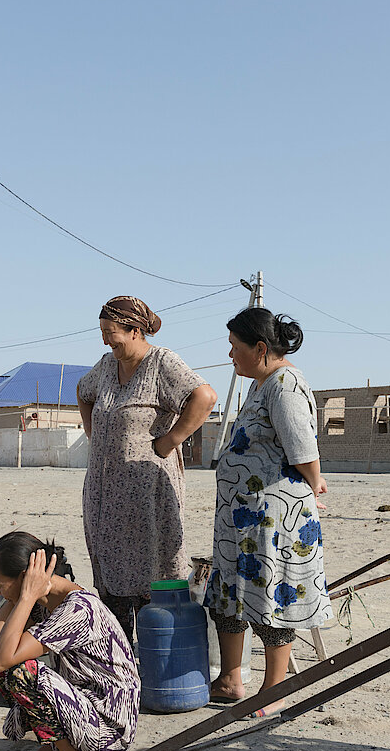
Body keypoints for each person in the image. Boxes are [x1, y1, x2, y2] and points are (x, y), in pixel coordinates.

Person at [205, 308, 330, 718]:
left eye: (235, 347)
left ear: (260, 348)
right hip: (242, 518)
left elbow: (302, 448)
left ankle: (274, 688)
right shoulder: (262, 384)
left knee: (271, 595)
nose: (230, 354)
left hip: (272, 519)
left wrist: (316, 484)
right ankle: (230, 678)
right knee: (230, 596)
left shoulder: (286, 385)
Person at [76, 295, 217, 644]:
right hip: (104, 491)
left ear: (136, 330)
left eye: (111, 332)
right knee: (110, 571)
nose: (106, 340)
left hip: (147, 491)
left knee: (152, 569)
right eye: (103, 332)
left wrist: (171, 440)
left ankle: (157, 655)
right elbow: (83, 391)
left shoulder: (162, 362)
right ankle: (119, 656)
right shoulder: (107, 365)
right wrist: (95, 435)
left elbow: (205, 396)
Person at [0, 531, 140, 751]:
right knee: (7, 665)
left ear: (25, 578)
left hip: (107, 736)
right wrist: (19, 598)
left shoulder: (78, 610)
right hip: (82, 714)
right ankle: (58, 746)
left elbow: (1, 661)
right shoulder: (45, 602)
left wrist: (25, 596)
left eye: (1, 584)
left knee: (18, 671)